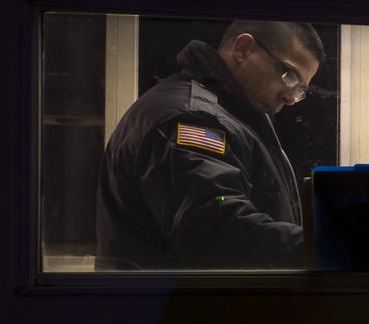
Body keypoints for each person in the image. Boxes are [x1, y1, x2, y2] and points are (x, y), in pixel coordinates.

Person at [96, 20, 324, 270]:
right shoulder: (192, 119)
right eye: (289, 76)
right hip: (170, 305)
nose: (291, 98)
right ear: (244, 48)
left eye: (301, 89)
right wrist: (333, 246)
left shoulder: (226, 116)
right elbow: (220, 232)